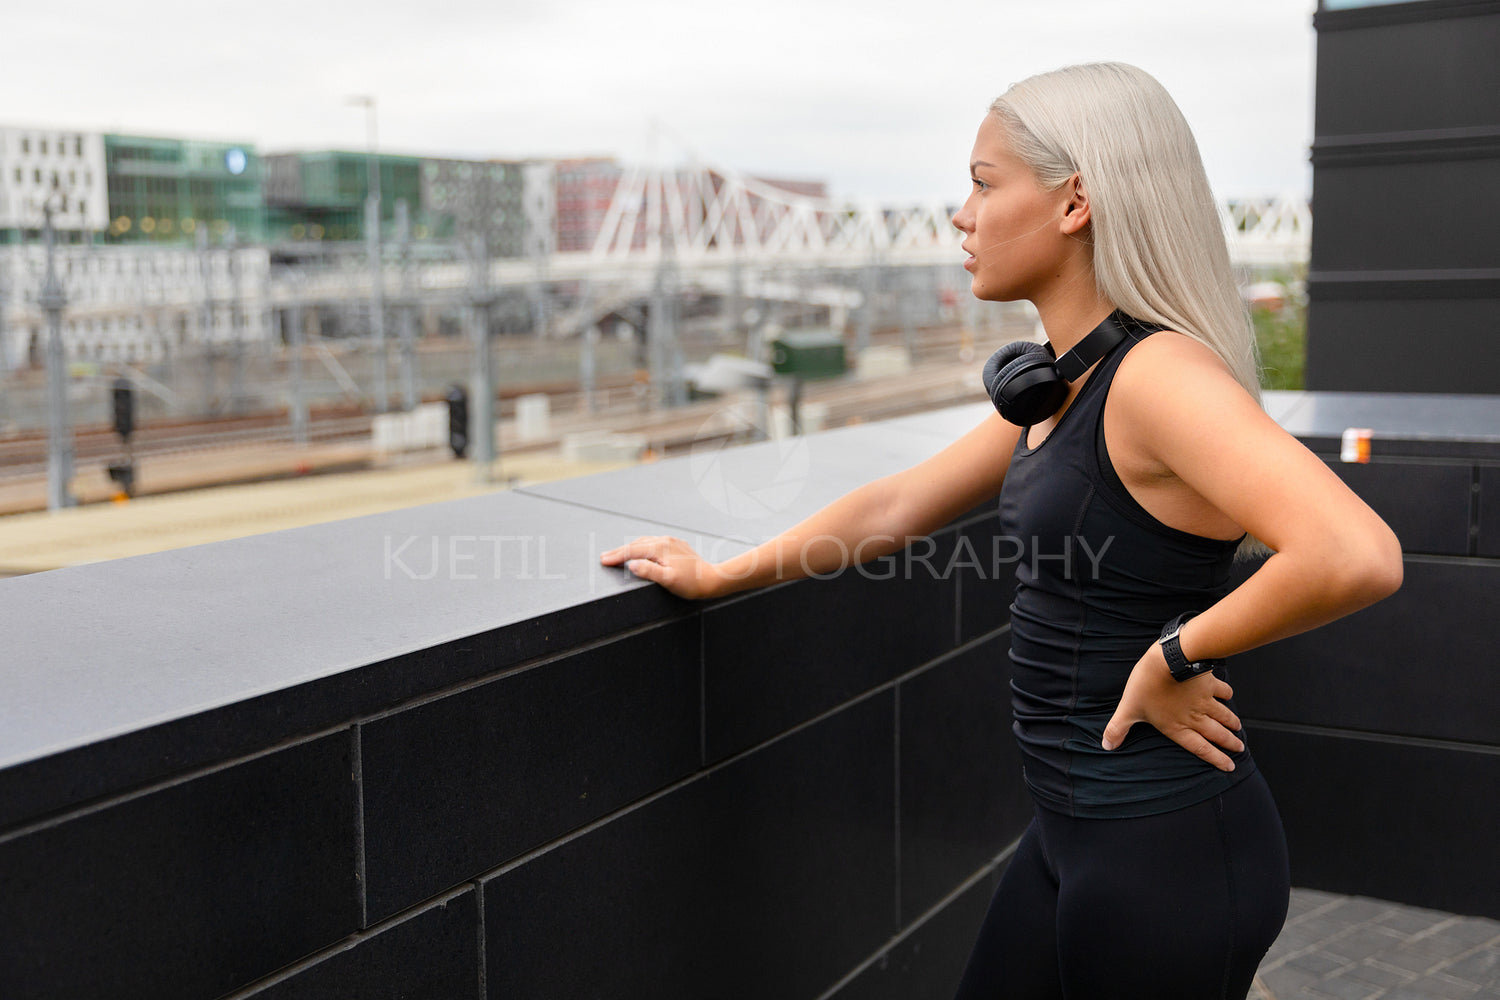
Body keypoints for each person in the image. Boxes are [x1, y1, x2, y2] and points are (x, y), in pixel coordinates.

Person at [599, 61, 1402, 1000]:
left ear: (1075, 202)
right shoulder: (1060, 387)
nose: (959, 216)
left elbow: (1355, 553)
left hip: (1165, 848)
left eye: (984, 184)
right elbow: (899, 504)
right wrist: (724, 575)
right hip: (1072, 830)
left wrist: (1175, 654)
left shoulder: (1158, 380)